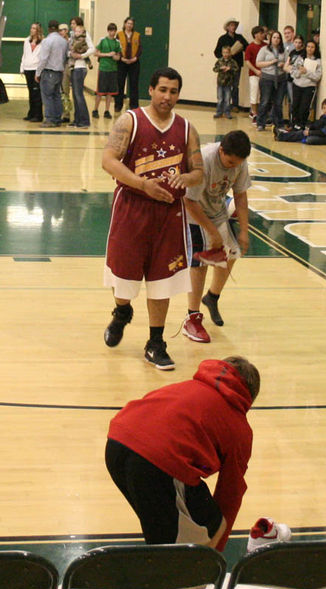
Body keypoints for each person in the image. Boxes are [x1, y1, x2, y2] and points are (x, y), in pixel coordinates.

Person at [102, 67, 204, 370]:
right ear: (151, 89)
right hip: (132, 206)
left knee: (163, 279)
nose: (167, 96)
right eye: (163, 90)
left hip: (169, 214)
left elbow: (198, 172)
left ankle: (155, 342)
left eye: (173, 91)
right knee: (124, 275)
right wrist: (141, 183)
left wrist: (186, 177)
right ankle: (121, 313)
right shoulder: (130, 121)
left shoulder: (187, 129)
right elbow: (108, 160)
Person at [105, 356, 260, 553]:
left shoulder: (185, 386)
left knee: (162, 534)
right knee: (212, 528)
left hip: (116, 445)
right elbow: (230, 494)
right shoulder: (240, 429)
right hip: (157, 463)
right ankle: (189, 579)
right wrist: (216, 553)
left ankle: (162, 571)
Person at [181, 130, 251, 342]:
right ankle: (191, 318)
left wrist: (244, 231)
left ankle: (211, 297)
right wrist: (211, 232)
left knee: (231, 254)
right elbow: (189, 201)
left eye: (237, 163)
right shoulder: (204, 161)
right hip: (192, 214)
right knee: (199, 265)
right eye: (229, 162)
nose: (233, 167)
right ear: (221, 151)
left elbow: (240, 195)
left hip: (216, 210)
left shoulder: (239, 162)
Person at [35, 20, 68, 127]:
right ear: (57, 28)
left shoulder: (47, 41)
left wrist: (38, 73)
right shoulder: (63, 41)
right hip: (59, 72)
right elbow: (65, 57)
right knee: (56, 95)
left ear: (49, 28)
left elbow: (43, 59)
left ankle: (49, 119)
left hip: (49, 71)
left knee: (47, 96)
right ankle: (57, 119)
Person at [214, 18, 248, 112]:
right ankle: (225, 106)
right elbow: (216, 52)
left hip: (236, 65)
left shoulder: (239, 37)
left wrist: (240, 48)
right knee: (225, 85)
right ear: (227, 27)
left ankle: (235, 105)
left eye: (234, 25)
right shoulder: (222, 38)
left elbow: (247, 48)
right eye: (231, 25)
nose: (233, 27)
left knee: (235, 85)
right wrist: (225, 57)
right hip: (225, 66)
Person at [255, 30, 287, 132]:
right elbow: (258, 63)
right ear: (270, 39)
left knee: (278, 102)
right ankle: (260, 123)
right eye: (274, 37)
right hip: (267, 78)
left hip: (280, 79)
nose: (276, 39)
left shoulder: (283, 51)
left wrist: (282, 65)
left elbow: (287, 63)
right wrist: (270, 62)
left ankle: (278, 124)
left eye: (278, 38)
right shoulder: (264, 49)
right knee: (265, 101)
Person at [290, 39, 322, 130]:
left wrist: (306, 72)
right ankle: (293, 124)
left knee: (304, 107)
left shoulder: (317, 61)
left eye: (312, 47)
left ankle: (302, 125)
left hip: (309, 87)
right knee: (295, 105)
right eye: (308, 47)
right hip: (297, 85)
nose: (310, 49)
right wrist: (299, 72)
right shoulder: (300, 58)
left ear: (315, 49)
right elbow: (293, 71)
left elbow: (317, 76)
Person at [67, 23, 94, 129]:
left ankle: (84, 120)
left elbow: (92, 49)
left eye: (75, 24)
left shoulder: (85, 35)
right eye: (72, 24)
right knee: (75, 95)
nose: (73, 26)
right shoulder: (72, 37)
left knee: (79, 95)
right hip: (74, 68)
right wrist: (71, 54)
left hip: (80, 68)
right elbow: (68, 51)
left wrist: (81, 56)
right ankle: (77, 119)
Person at [93, 23, 121, 119]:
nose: (112, 32)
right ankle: (95, 109)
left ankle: (107, 110)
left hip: (113, 69)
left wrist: (115, 56)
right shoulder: (102, 40)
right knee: (100, 91)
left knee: (110, 92)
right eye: (111, 30)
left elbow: (118, 57)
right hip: (103, 68)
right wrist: (107, 54)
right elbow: (95, 53)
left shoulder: (117, 42)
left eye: (114, 31)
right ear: (108, 31)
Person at [114, 17, 141, 113]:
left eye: (131, 24)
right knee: (120, 84)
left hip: (134, 63)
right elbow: (116, 48)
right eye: (128, 23)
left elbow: (140, 49)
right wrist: (122, 58)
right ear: (125, 24)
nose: (129, 25)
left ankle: (134, 105)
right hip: (122, 62)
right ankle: (118, 105)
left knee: (134, 84)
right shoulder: (119, 35)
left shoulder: (137, 35)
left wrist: (135, 58)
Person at [20, 22, 44, 122]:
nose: (32, 30)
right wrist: (22, 67)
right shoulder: (27, 40)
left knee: (36, 92)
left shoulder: (43, 41)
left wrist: (39, 70)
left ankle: (38, 115)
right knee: (30, 92)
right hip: (27, 68)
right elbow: (24, 54)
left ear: (38, 30)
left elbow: (42, 57)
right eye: (31, 28)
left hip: (36, 69)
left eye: (34, 28)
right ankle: (31, 113)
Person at [244, 25, 266, 124]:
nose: (263, 35)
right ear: (256, 35)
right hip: (254, 74)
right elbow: (247, 61)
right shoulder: (250, 47)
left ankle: (262, 114)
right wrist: (256, 71)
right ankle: (254, 113)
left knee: (263, 94)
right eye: (261, 33)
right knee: (254, 93)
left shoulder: (265, 46)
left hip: (265, 74)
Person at [212, 46, 238, 119]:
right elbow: (214, 69)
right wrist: (220, 68)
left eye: (227, 52)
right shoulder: (219, 61)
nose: (225, 54)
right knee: (220, 99)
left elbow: (236, 69)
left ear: (230, 53)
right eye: (224, 52)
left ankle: (227, 113)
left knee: (227, 99)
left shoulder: (232, 62)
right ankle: (219, 112)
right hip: (220, 83)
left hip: (228, 83)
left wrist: (230, 69)